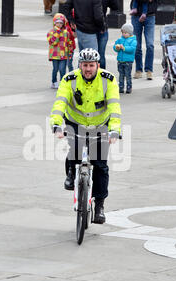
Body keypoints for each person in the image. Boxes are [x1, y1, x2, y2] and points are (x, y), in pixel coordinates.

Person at [49, 48, 121, 224]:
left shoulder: (108, 80)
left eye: (91, 65)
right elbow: (60, 102)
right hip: (76, 122)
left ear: (98, 65)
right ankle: (70, 175)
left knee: (100, 165)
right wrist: (56, 123)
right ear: (79, 65)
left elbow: (114, 107)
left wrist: (114, 130)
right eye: (84, 65)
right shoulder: (69, 79)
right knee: (74, 149)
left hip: (100, 125)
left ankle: (99, 206)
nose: (88, 69)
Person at [130, 0, 158, 80]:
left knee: (150, 45)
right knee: (137, 45)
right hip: (136, 16)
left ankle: (149, 70)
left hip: (150, 15)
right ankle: (138, 70)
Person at [47, 13, 74, 89]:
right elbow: (53, 42)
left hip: (63, 54)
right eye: (57, 22)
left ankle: (62, 82)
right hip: (55, 55)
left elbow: (68, 42)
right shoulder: (50, 32)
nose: (59, 24)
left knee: (62, 69)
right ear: (54, 23)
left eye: (61, 23)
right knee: (55, 69)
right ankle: (54, 82)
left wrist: (70, 49)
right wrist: (57, 33)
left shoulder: (66, 32)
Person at [113, 23, 137, 94]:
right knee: (121, 75)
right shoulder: (120, 40)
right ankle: (121, 87)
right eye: (123, 32)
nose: (124, 34)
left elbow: (132, 49)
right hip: (120, 60)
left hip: (128, 61)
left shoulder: (133, 41)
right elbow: (115, 46)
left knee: (128, 75)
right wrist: (116, 48)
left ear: (130, 33)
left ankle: (129, 87)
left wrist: (124, 48)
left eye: (125, 33)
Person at [98, 0, 119, 69]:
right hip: (90, 29)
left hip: (103, 29)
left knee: (101, 54)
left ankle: (102, 76)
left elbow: (115, 7)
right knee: (91, 55)